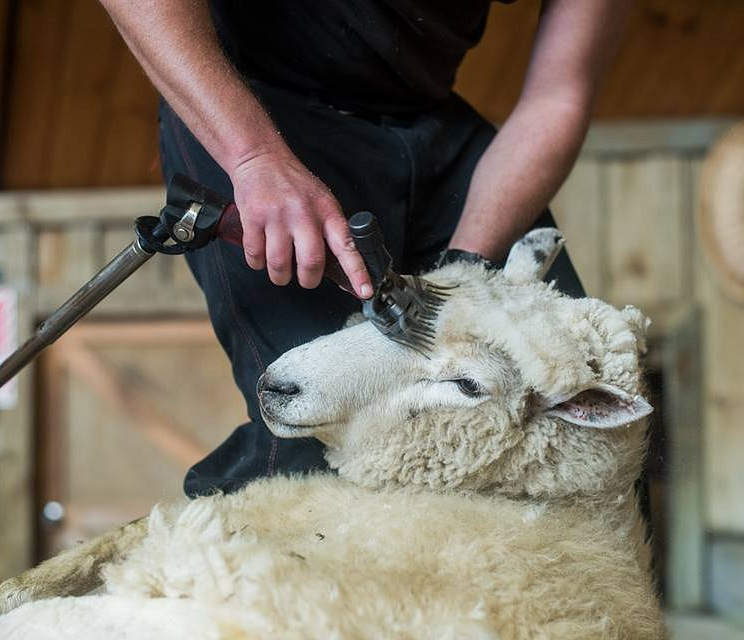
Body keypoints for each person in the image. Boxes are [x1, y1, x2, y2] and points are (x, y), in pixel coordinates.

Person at [99, 0, 627, 496]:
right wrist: (254, 157)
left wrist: (464, 271)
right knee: (314, 443)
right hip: (255, 107)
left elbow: (558, 95)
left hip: (431, 121)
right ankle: (204, 575)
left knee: (574, 432)